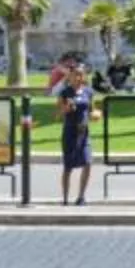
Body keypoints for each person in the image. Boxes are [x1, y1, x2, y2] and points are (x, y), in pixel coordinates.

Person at [55, 58, 96, 206]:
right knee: (68, 166)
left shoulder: (88, 92)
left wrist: (95, 115)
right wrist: (65, 109)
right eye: (75, 75)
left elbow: (92, 110)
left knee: (88, 162)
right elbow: (58, 114)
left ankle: (81, 197)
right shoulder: (65, 92)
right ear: (70, 76)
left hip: (84, 132)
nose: (78, 77)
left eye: (81, 75)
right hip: (70, 132)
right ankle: (65, 198)